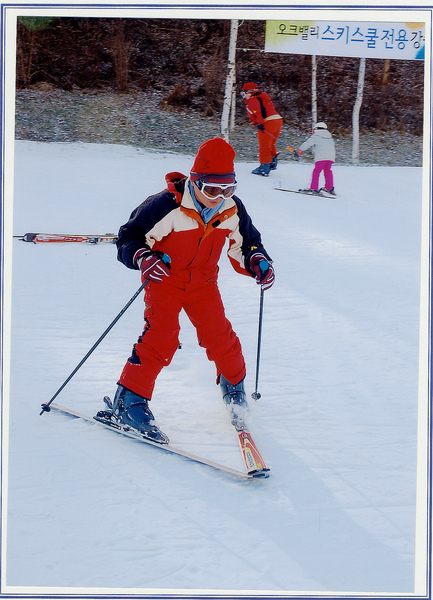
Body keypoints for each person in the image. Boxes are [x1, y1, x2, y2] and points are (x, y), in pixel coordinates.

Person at [98, 137, 275, 443]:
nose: (219, 197)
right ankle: (128, 402)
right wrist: (143, 257)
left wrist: (258, 260)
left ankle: (234, 388)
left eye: (228, 189)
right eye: (211, 190)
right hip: (165, 280)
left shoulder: (231, 209)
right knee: (161, 337)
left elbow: (247, 243)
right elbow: (129, 237)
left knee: (220, 336)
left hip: (204, 284)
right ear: (195, 182)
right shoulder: (167, 205)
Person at [241, 82, 283, 177]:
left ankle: (264, 167)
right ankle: (272, 162)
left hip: (267, 122)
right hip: (278, 120)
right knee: (270, 143)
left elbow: (258, 112)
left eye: (244, 93)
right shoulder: (263, 98)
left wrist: (260, 123)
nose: (244, 97)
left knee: (264, 145)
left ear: (250, 92)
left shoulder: (253, 100)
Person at [297, 122, 336, 196]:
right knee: (328, 172)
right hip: (330, 158)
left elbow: (308, 143)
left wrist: (301, 149)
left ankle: (314, 188)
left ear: (316, 129)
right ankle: (329, 188)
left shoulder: (316, 136)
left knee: (316, 171)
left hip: (321, 158)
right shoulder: (330, 138)